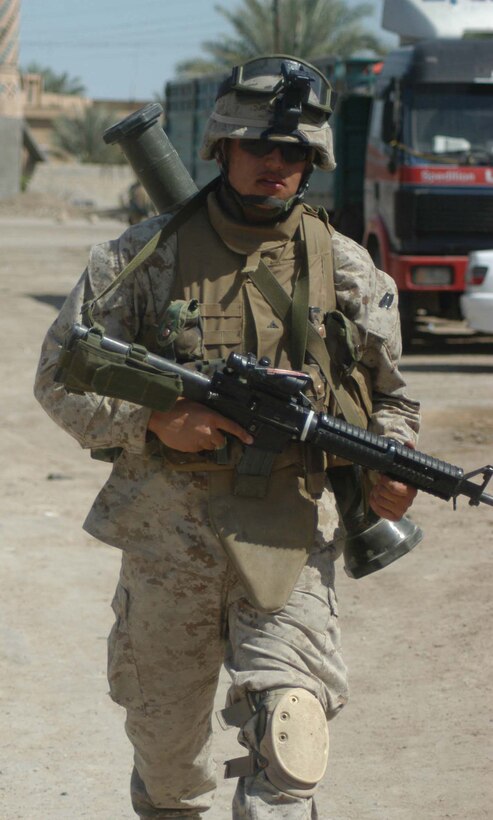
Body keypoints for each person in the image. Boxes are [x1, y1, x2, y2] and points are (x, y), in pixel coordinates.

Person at [34, 55, 420, 820]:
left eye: (295, 153)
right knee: (169, 762)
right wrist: (152, 424)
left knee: (292, 735)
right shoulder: (140, 257)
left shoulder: (346, 270)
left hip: (288, 539)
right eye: (260, 147)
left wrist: (394, 467)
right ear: (221, 149)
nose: (276, 164)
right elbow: (59, 379)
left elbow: (393, 401)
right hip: (167, 543)